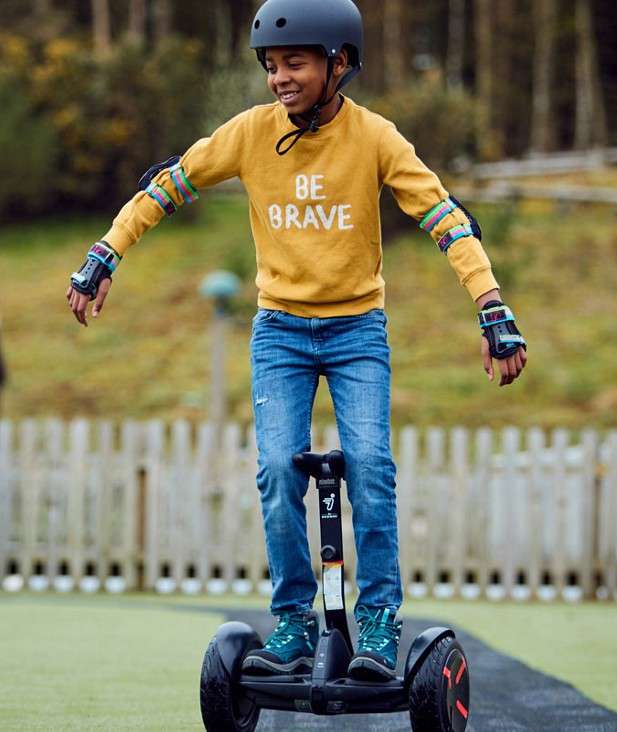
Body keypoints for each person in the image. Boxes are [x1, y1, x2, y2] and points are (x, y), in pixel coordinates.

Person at [65, 0, 527, 682]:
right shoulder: (251, 134)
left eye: (296, 63)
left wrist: (491, 307)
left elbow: (446, 218)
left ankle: (377, 620)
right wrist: (107, 252)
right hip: (279, 331)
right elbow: (168, 184)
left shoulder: (376, 138)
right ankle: (292, 621)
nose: (280, 78)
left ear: (339, 64)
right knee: (278, 469)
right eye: (272, 65)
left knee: (371, 467)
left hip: (356, 332)